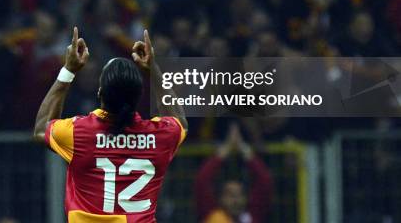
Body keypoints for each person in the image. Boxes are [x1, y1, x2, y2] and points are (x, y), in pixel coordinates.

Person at [34, 28, 188, 222]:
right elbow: (180, 122)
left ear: (100, 93)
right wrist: (153, 69)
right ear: (138, 97)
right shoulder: (161, 136)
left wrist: (69, 70)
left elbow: (41, 128)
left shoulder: (80, 132)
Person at [194, 124, 273, 223]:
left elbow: (264, 180)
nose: (236, 200)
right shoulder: (211, 214)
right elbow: (202, 180)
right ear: (221, 199)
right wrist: (225, 150)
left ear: (246, 198)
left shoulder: (253, 216)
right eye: (230, 195)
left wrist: (244, 149)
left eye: (239, 195)